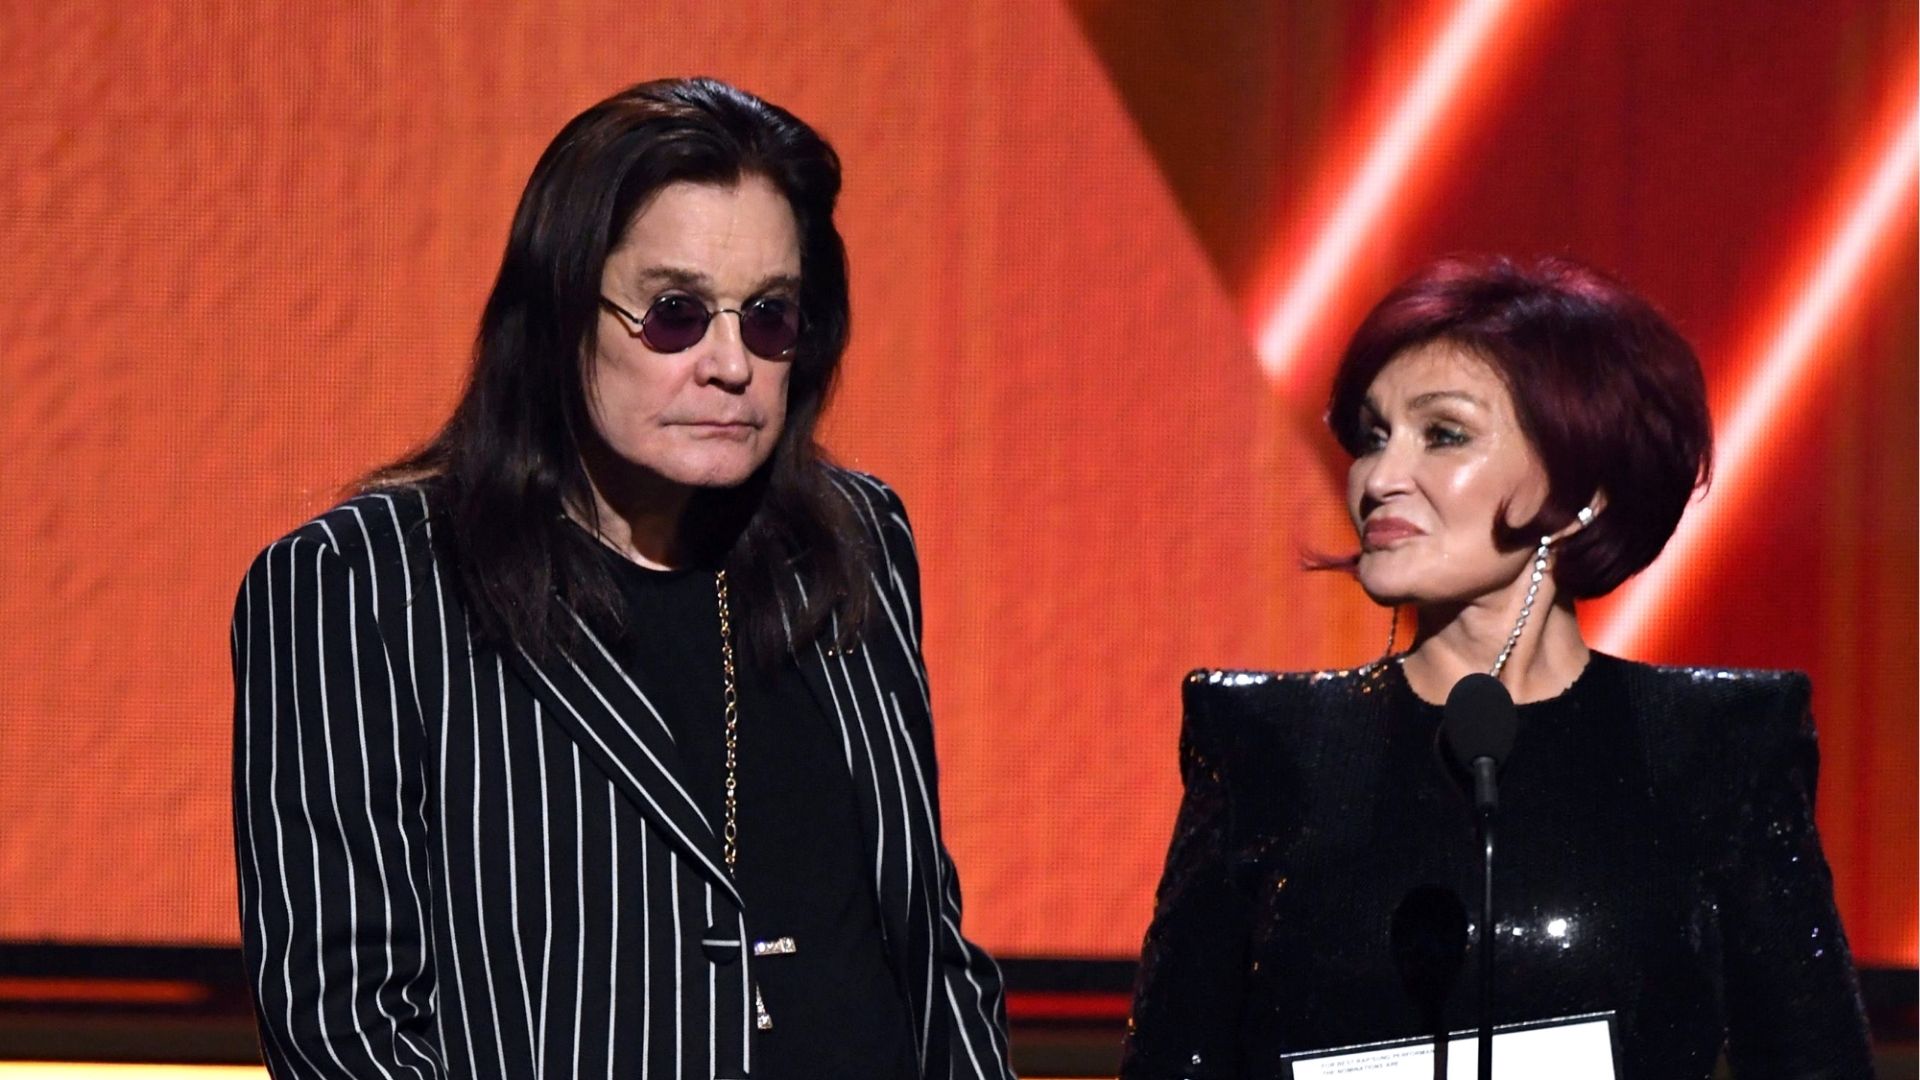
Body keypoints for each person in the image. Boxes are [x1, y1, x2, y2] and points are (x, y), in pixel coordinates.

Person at [231, 77, 1013, 1080]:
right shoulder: (364, 587)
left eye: (769, 316)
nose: (731, 364)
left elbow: (929, 953)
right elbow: (345, 1035)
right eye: (676, 314)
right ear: (562, 314)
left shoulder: (852, 543)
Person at [1120, 256, 1873, 1078]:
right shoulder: (1265, 744)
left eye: (1443, 434)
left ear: (1582, 490)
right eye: (1373, 437)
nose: (1380, 478)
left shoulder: (1715, 747)